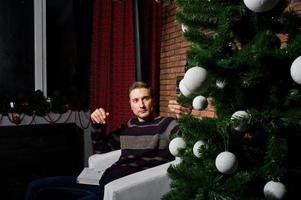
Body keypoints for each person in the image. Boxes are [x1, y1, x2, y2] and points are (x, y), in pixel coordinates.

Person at [25, 81, 192, 200]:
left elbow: (187, 144)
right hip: (101, 177)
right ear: (130, 104)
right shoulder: (128, 126)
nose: (141, 104)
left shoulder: (167, 124)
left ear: (152, 100)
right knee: (36, 187)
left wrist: (186, 121)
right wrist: (96, 125)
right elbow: (101, 151)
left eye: (145, 98)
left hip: (122, 185)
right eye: (135, 100)